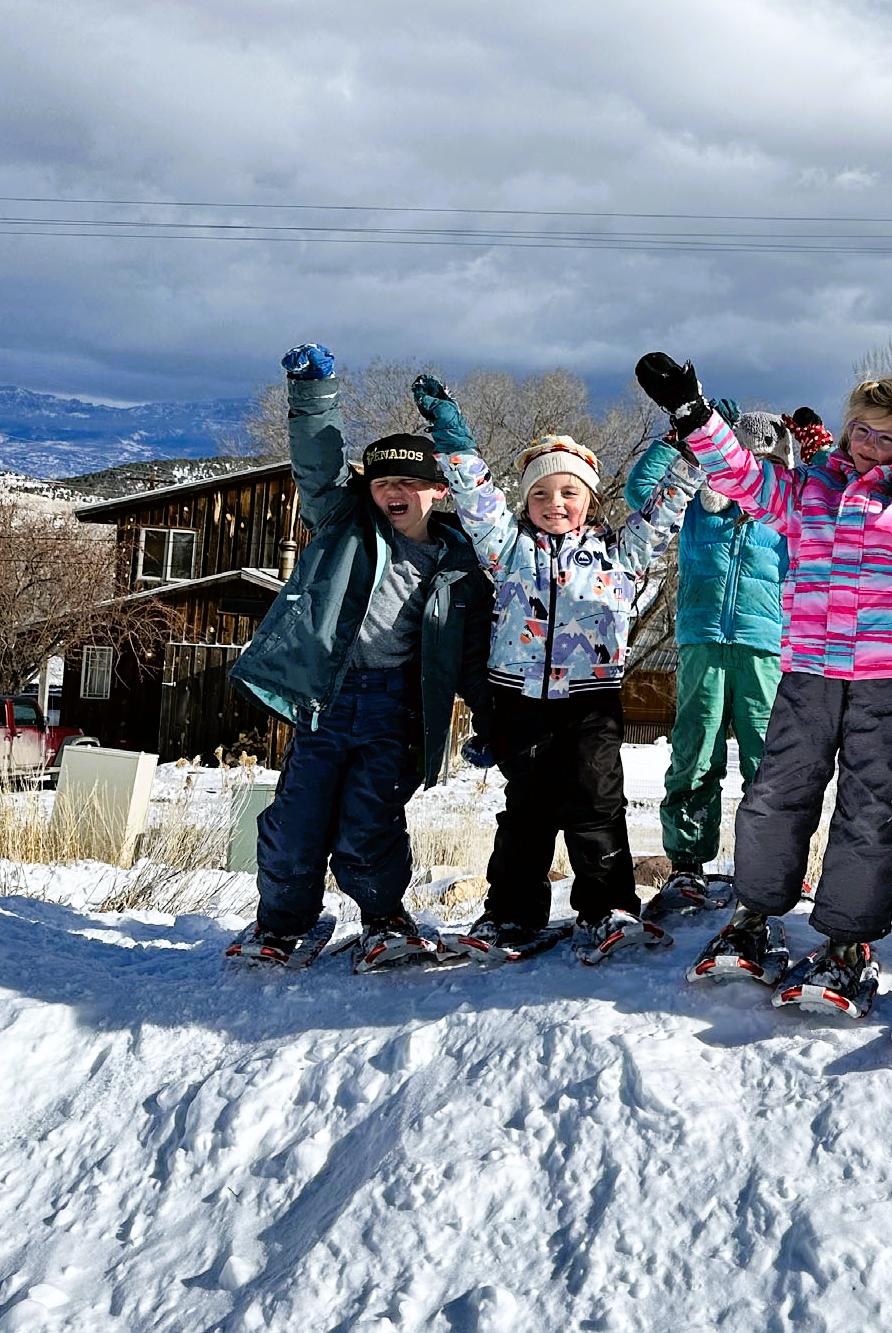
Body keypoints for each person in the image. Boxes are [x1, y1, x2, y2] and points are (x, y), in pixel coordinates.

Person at [635, 323, 892, 1012]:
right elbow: (742, 475)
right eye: (862, 429)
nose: (870, 443)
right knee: (775, 792)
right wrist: (693, 413)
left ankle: (845, 941)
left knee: (869, 809)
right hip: (808, 669)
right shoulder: (809, 488)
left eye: (888, 435)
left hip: (887, 679)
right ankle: (754, 915)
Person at [410, 374, 698, 963]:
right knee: (527, 813)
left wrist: (693, 447)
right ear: (525, 501)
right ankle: (510, 915)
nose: (555, 504)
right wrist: (453, 435)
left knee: (596, 805)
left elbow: (667, 508)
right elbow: (478, 501)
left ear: (590, 498)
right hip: (520, 701)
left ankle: (608, 910)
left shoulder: (621, 554)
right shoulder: (507, 550)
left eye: (569, 492)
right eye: (541, 494)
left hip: (592, 704)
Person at [228, 344, 493, 970]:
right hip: (328, 700)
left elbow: (472, 653)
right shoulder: (344, 525)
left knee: (367, 826)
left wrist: (488, 718)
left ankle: (383, 920)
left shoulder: (461, 563)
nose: (392, 493)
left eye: (408, 483)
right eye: (381, 483)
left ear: (437, 490)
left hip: (396, 710)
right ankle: (283, 925)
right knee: (296, 824)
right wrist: (314, 393)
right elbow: (318, 466)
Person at [624, 402, 794, 917]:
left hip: (765, 646)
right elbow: (641, 495)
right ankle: (688, 866)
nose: (757, 472)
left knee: (769, 761)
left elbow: (835, 510)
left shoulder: (788, 510)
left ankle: (771, 866)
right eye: (749, 459)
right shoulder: (699, 505)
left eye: (770, 461)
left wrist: (821, 451)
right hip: (701, 641)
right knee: (694, 752)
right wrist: (678, 442)